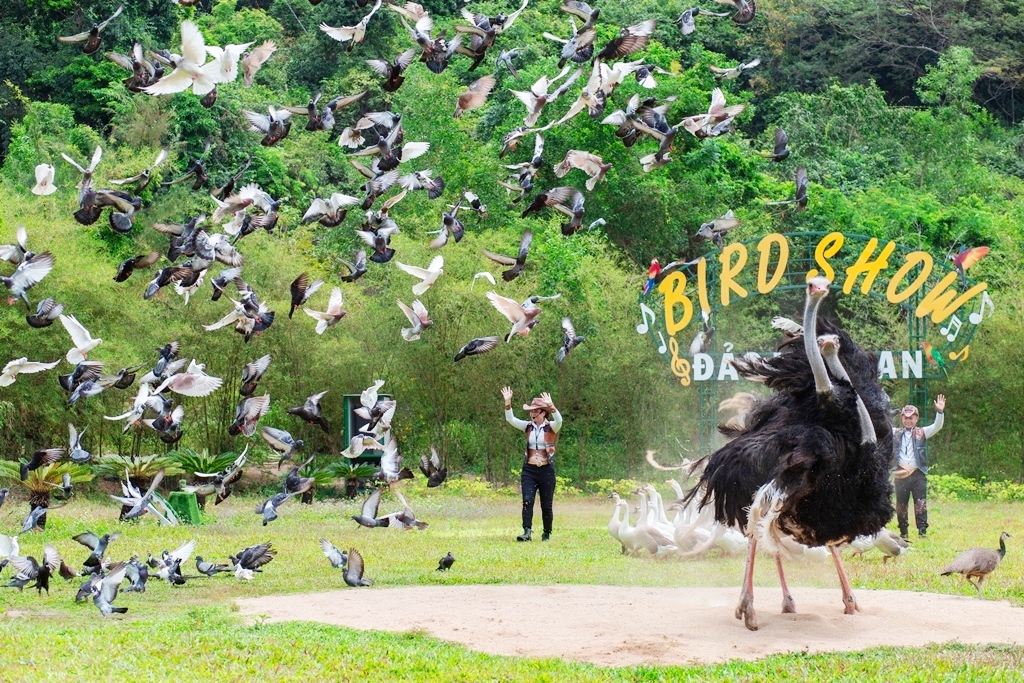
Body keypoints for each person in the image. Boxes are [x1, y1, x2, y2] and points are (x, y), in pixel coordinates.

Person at [501, 386, 562, 542]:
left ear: (543, 413)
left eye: (535, 411)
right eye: (531, 411)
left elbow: (559, 420)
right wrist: (508, 403)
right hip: (529, 469)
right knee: (527, 500)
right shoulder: (527, 426)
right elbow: (510, 419)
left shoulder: (551, 427)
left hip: (546, 470)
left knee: (546, 504)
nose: (532, 414)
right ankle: (527, 531)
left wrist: (552, 406)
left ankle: (546, 532)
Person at [891, 394, 946, 540]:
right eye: (906, 418)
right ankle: (903, 532)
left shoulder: (921, 432)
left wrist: (940, 412)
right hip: (901, 474)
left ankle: (922, 532)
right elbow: (880, 427)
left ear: (916, 419)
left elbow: (937, 426)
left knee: (920, 502)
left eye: (911, 418)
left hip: (917, 473)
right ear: (902, 418)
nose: (908, 420)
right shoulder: (895, 433)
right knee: (901, 504)